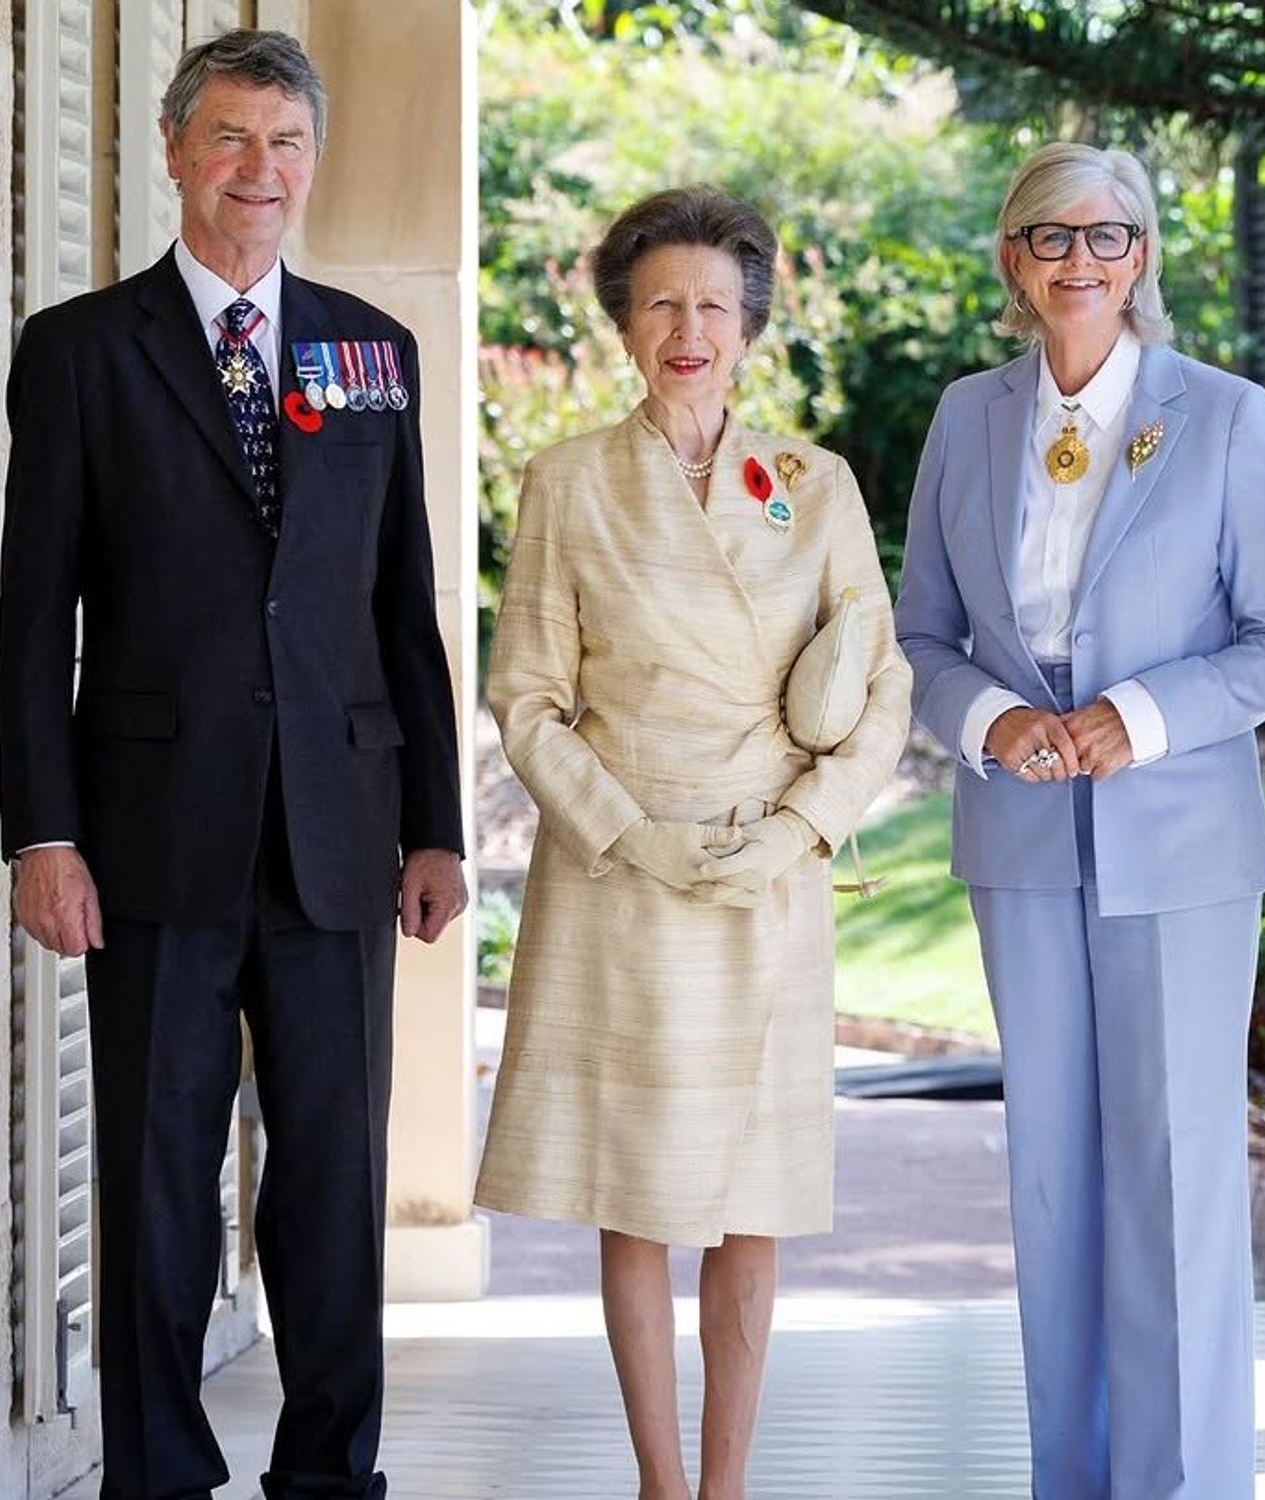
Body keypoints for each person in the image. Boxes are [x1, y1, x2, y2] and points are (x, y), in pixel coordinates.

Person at [0, 28, 467, 1500]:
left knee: (332, 1190)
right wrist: (42, 835)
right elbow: (31, 618)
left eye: (285, 144)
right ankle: (158, 1478)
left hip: (339, 830)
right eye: (232, 139)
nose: (259, 171)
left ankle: (331, 1478)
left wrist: (438, 825)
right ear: (174, 149)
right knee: (153, 1184)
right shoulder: (80, 351)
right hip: (149, 836)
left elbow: (404, 603)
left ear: (310, 162)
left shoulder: (365, 352)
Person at [893, 142, 1265, 1499]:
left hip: (1179, 842)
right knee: (1055, 1181)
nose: (1079, 262)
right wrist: (988, 721)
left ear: (1145, 256)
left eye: (1109, 237)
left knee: (1176, 1174)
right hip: (1020, 838)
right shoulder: (966, 417)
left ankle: (1183, 1484)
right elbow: (917, 633)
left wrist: (1135, 717)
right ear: (1013, 260)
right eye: (1049, 238)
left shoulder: (1225, 415)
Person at [475, 185, 910, 1500]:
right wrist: (627, 835)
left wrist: (803, 829)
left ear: (751, 327)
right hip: (627, 878)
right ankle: (661, 1482)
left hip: (770, 877)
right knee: (641, 1191)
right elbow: (528, 698)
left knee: (752, 1193)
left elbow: (879, 684)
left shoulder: (815, 485)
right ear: (621, 321)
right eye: (661, 301)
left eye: (714, 306)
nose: (689, 329)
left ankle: (727, 1485)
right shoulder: (566, 485)